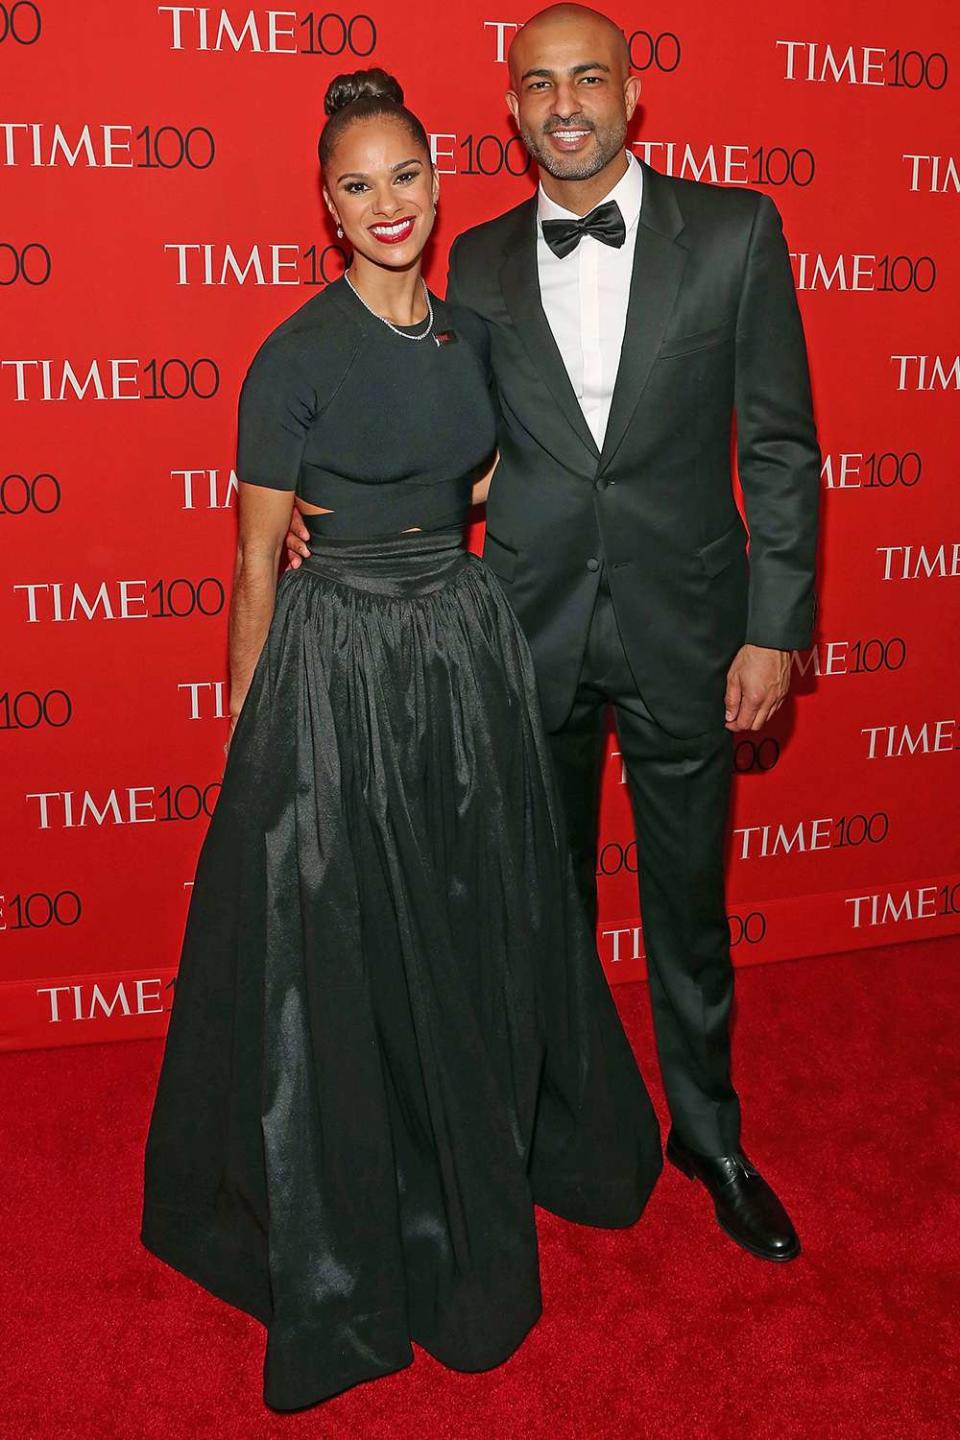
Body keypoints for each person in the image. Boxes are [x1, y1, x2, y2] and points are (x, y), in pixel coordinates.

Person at [141, 67, 662, 1412]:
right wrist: (260, 742)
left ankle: (482, 1136)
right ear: (326, 204)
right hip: (342, 667)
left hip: (461, 650)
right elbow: (257, 562)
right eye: (358, 183)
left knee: (474, 914)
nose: (386, 202)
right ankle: (370, 1208)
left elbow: (478, 473)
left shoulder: (475, 337)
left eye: (406, 174)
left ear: (439, 181)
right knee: (351, 938)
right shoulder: (292, 357)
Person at [286, 3, 822, 1265]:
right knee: (536, 901)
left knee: (690, 906)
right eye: (538, 83)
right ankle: (552, 1125)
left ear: (635, 98)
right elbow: (444, 439)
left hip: (692, 625)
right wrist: (336, 520)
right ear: (513, 108)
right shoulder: (467, 259)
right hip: (517, 634)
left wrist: (774, 627)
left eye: (589, 78)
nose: (565, 102)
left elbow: (781, 447)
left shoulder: (737, 232)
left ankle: (709, 1134)